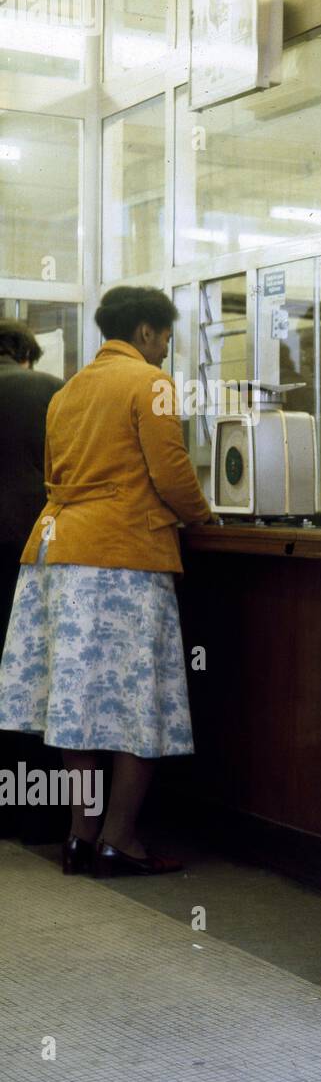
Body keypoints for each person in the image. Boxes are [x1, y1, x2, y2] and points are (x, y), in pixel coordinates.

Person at [0, 287, 212, 876]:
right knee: (137, 702)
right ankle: (120, 840)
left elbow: (54, 473)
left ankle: (78, 836)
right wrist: (202, 515)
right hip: (125, 558)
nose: (167, 350)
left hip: (59, 555)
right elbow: (171, 471)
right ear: (145, 332)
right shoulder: (150, 383)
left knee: (79, 702)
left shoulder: (67, 391)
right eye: (166, 337)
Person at [0, 320, 62, 827]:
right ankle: (32, 810)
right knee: (27, 679)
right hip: (30, 549)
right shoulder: (46, 388)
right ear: (26, 355)